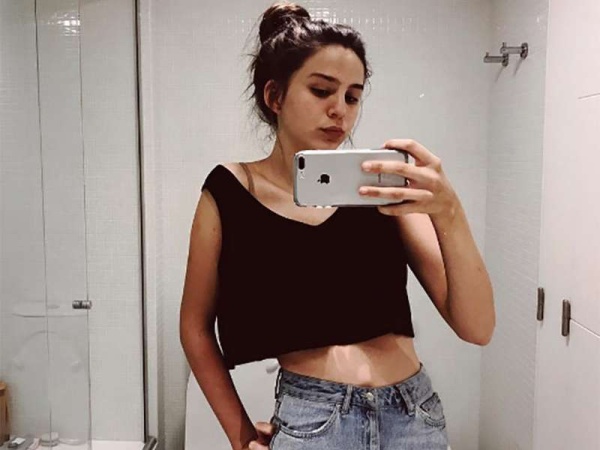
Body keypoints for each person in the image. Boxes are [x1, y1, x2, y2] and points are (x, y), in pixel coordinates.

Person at [179, 2, 495, 449]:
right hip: (314, 421)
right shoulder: (230, 190)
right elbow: (194, 326)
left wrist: (449, 211)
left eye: (352, 96)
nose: (339, 110)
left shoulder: (379, 186)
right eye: (321, 90)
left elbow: (477, 327)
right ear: (274, 97)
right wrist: (240, 435)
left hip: (413, 417)